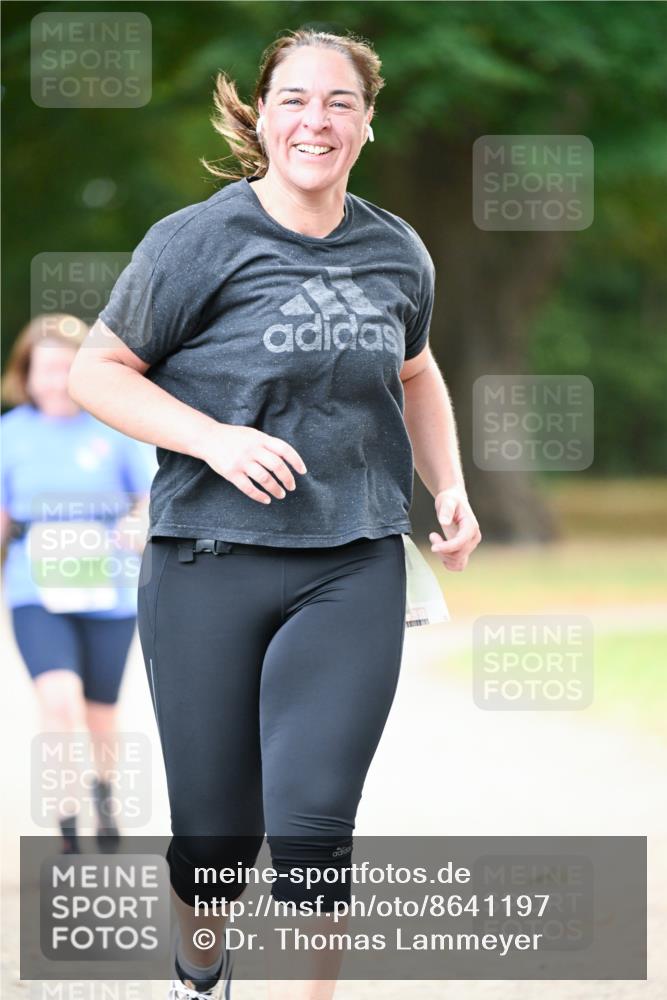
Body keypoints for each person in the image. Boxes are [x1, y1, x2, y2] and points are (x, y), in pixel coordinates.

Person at [67, 27, 482, 1000]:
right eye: (295, 98)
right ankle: (199, 969)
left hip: (352, 562)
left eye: (340, 102)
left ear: (367, 122)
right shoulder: (196, 241)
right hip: (208, 561)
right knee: (215, 834)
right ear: (261, 113)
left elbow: (416, 372)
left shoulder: (395, 249)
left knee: (312, 825)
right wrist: (214, 438)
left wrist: (448, 484)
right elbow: (97, 370)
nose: (317, 120)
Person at [1, 313, 154, 853]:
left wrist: (135, 525)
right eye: (46, 368)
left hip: (109, 590)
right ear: (27, 373)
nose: (55, 379)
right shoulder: (9, 434)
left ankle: (104, 792)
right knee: (58, 700)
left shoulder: (115, 428)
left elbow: (148, 498)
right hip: (34, 589)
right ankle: (67, 821)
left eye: (68, 368)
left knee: (99, 713)